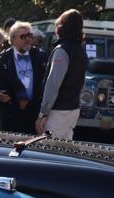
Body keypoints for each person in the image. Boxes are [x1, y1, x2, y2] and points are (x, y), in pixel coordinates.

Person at [37, 8, 88, 140]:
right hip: (73, 109)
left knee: (49, 150)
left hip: (58, 111)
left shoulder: (62, 51)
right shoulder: (81, 51)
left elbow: (53, 84)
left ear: (61, 27)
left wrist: (43, 113)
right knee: (65, 150)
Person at [0, 21, 46, 133]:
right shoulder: (3, 58)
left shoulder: (40, 56)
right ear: (13, 39)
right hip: (10, 112)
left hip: (34, 112)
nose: (28, 39)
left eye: (30, 35)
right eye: (23, 36)